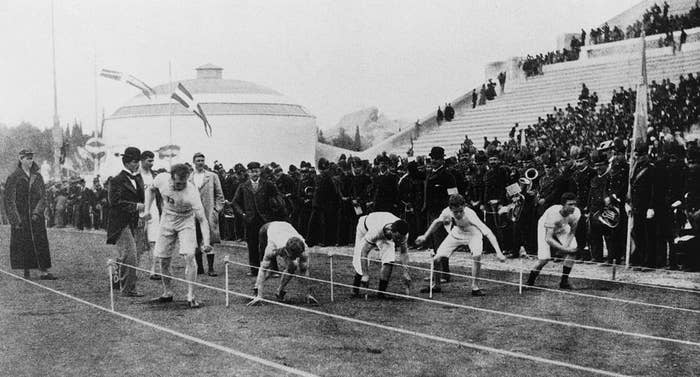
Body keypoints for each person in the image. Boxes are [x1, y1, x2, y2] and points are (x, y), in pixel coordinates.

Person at [145, 163, 212, 308]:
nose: (179, 185)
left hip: (186, 220)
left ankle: (191, 295)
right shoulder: (162, 179)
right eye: (177, 183)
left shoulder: (192, 193)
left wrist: (206, 242)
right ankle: (167, 292)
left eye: (183, 183)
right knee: (163, 258)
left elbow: (202, 220)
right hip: (167, 218)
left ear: (187, 179)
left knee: (189, 255)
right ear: (171, 177)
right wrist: (146, 209)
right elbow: (150, 190)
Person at [416, 194, 505, 296]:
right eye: (455, 212)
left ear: (464, 207)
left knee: (477, 256)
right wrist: (424, 236)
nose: (458, 214)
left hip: (473, 234)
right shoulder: (446, 211)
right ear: (450, 209)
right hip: (457, 232)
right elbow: (437, 222)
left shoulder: (470, 214)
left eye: (461, 211)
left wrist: (498, 252)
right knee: (436, 259)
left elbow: (488, 233)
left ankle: (475, 287)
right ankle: (436, 285)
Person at [3, 149, 56, 280]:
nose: (30, 161)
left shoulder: (38, 177)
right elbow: (9, 200)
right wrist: (15, 219)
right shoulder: (14, 177)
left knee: (40, 242)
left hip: (36, 216)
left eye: (31, 158)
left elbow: (43, 196)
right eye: (27, 158)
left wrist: (37, 212)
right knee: (23, 242)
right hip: (21, 217)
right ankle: (26, 269)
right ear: (21, 159)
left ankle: (44, 270)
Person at [247, 221, 318, 306]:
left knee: (294, 266)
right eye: (292, 257)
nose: (295, 258)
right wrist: (259, 296)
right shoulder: (272, 248)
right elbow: (263, 269)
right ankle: (256, 288)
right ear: (286, 251)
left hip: (286, 226)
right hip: (267, 229)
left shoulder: (304, 249)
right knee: (267, 267)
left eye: (297, 256)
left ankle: (279, 291)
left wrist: (308, 294)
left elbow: (304, 270)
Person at [106, 147, 145, 296]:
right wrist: (134, 206)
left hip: (134, 221)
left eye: (138, 161)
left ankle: (116, 279)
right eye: (135, 162)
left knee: (127, 254)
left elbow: (141, 199)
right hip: (120, 223)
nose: (137, 165)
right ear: (127, 162)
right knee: (130, 255)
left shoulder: (138, 178)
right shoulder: (116, 180)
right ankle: (128, 289)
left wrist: (140, 215)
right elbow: (114, 202)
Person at [233, 161, 282, 276]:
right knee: (252, 244)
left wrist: (273, 210)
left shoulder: (268, 184)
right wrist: (243, 214)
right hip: (250, 220)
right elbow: (235, 202)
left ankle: (273, 269)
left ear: (260, 171)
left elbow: (278, 197)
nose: (254, 174)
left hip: (265, 220)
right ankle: (254, 270)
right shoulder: (243, 186)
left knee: (269, 244)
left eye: (256, 171)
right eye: (251, 171)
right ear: (248, 172)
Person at [526, 192, 581, 289]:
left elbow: (572, 231)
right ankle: (530, 281)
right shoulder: (553, 214)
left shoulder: (576, 213)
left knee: (573, 249)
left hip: (562, 225)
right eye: (570, 204)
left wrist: (566, 248)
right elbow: (549, 239)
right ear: (563, 205)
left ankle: (564, 282)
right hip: (545, 226)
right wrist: (565, 250)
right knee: (544, 258)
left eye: (574, 204)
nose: (573, 207)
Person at [351, 212, 411, 298]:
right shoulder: (375, 231)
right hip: (364, 228)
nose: (399, 240)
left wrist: (406, 273)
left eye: (400, 238)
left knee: (389, 259)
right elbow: (364, 252)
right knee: (359, 254)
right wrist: (365, 274)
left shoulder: (403, 234)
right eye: (397, 238)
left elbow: (404, 252)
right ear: (391, 230)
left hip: (385, 231)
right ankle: (355, 289)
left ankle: (381, 293)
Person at [191, 152, 224, 276]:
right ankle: (199, 267)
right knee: (195, 239)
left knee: (209, 240)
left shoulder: (212, 176)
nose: (200, 163)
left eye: (202, 160)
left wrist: (216, 210)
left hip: (208, 212)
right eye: (198, 160)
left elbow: (220, 195)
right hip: (193, 214)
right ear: (194, 162)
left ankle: (211, 268)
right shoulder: (190, 177)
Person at [139, 150, 162, 280]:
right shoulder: (136, 175)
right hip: (139, 209)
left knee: (154, 241)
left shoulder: (155, 175)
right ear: (142, 161)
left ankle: (153, 270)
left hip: (153, 210)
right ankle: (132, 270)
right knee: (138, 241)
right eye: (149, 160)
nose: (152, 163)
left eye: (153, 160)